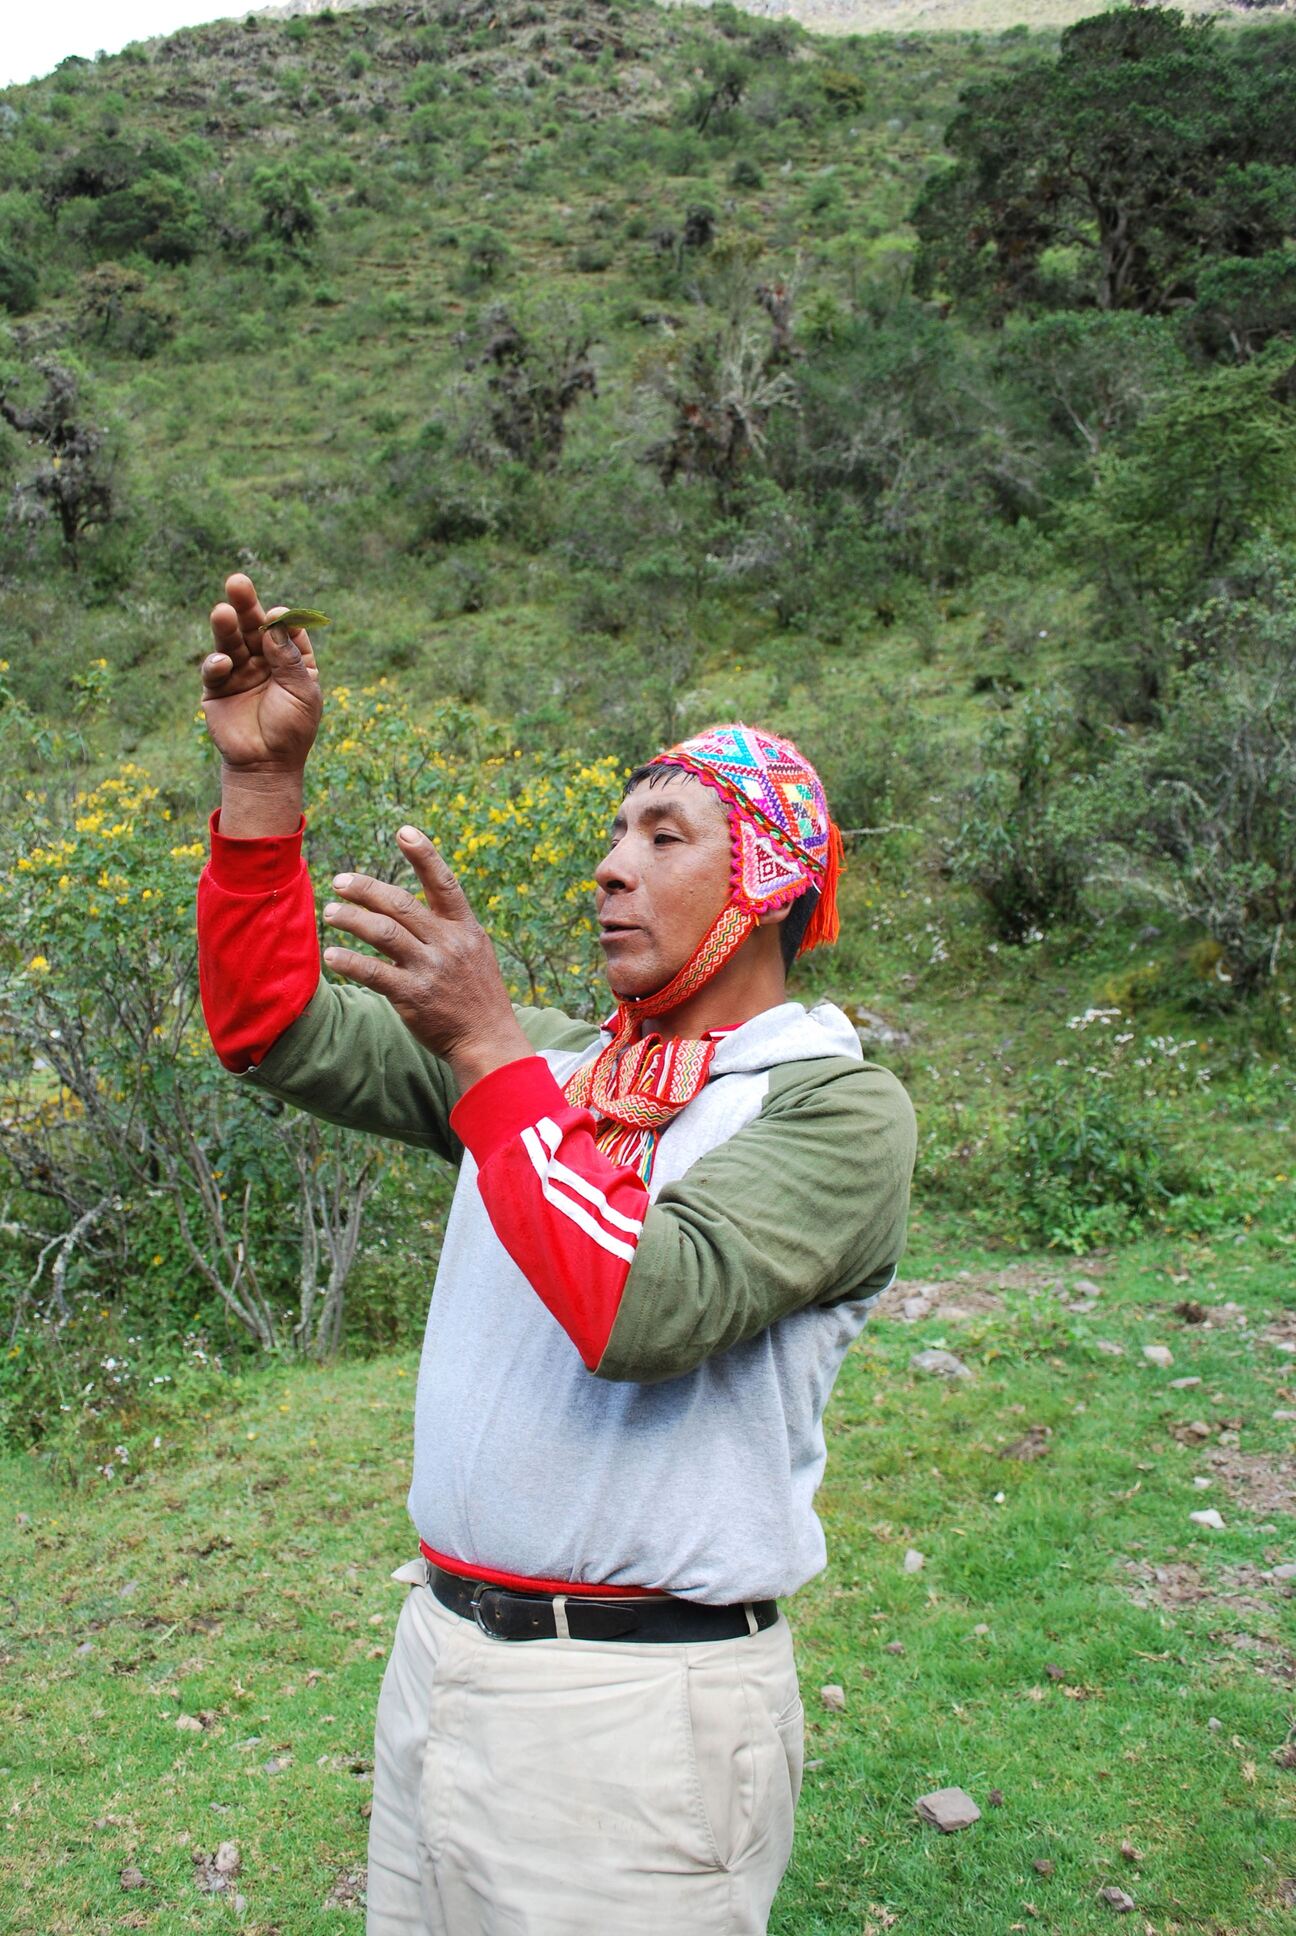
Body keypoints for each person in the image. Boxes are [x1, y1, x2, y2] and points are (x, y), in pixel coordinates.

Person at [195, 571, 917, 1936]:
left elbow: (644, 1305)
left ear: (767, 878)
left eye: (664, 833)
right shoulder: (562, 1075)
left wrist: (483, 1047)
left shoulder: (833, 1105)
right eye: (612, 831)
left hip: (641, 1721)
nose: (610, 863)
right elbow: (269, 1025)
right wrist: (262, 794)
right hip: (444, 1664)